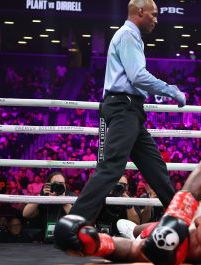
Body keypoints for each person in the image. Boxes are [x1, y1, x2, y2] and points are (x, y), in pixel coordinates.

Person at [68, 0, 185, 224]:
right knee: (112, 168)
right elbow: (138, 76)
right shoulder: (129, 35)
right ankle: (73, 222)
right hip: (124, 107)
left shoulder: (130, 36)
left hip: (130, 109)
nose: (156, 20)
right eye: (154, 14)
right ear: (140, 12)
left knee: (156, 168)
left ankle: (180, 221)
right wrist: (172, 91)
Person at [54, 158, 201, 265]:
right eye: (199, 224)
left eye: (195, 237)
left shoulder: (189, 250)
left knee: (150, 234)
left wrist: (96, 244)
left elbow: (135, 251)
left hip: (191, 220)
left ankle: (132, 229)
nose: (190, 233)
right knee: (164, 227)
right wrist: (177, 217)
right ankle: (134, 227)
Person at [22, 171, 75, 243]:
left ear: (65, 185)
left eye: (62, 184)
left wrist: (64, 201)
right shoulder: (43, 197)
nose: (58, 186)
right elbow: (26, 214)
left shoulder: (71, 197)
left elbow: (76, 220)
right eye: (55, 184)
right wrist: (41, 197)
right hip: (44, 241)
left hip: (66, 241)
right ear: (49, 185)